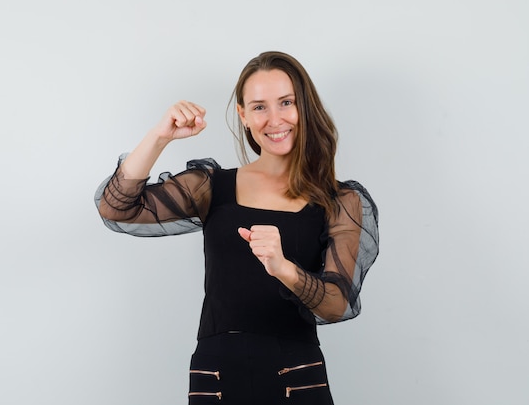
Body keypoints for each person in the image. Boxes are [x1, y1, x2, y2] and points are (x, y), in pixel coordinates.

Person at [94, 51, 379, 404]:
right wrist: (159, 136)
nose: (274, 119)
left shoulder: (339, 201)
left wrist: (285, 269)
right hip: (216, 376)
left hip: (297, 375)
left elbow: (337, 304)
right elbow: (117, 208)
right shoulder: (211, 186)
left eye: (286, 102)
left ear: (304, 107)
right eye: (259, 107)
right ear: (243, 115)